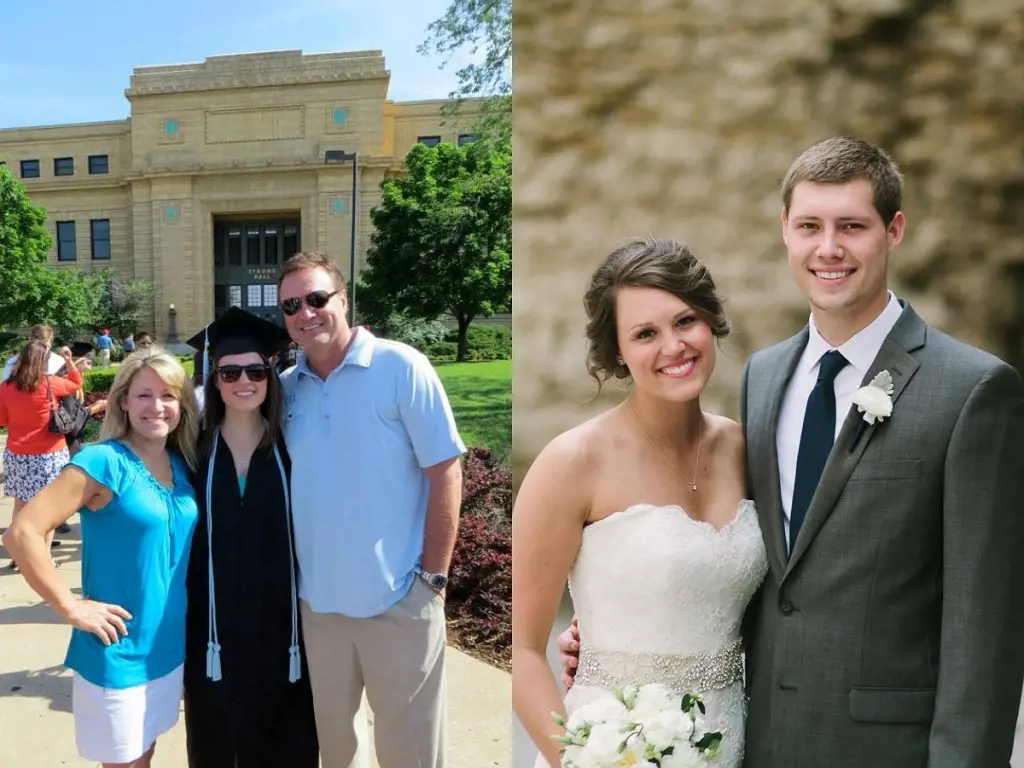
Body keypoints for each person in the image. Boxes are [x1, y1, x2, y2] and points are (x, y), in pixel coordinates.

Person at [556, 137, 1024, 766]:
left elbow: (984, 626)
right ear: (785, 231)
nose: (828, 248)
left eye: (851, 226)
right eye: (810, 226)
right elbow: (770, 565)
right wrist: (628, 628)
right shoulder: (765, 376)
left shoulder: (972, 391)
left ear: (895, 230)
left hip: (888, 749)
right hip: (758, 740)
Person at [512, 237, 767, 768]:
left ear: (710, 322)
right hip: (610, 750)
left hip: (733, 744)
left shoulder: (749, 451)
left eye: (685, 321)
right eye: (645, 333)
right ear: (619, 352)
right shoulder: (572, 462)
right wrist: (580, 760)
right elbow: (525, 653)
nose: (673, 346)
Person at [277, 251, 466, 768]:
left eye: (317, 299)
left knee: (412, 754)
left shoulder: (399, 365)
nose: (305, 313)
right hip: (319, 607)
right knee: (340, 754)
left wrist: (433, 577)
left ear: (343, 299)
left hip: (399, 600)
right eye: (291, 305)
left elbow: (445, 471)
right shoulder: (286, 390)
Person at [2, 349, 200, 768]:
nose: (157, 406)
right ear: (123, 401)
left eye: (168, 396)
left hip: (169, 647)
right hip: (118, 650)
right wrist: (70, 605)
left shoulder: (182, 464)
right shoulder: (102, 461)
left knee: (146, 752)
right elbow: (23, 532)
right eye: (145, 395)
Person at [181, 307, 319, 767]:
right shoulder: (192, 450)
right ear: (214, 379)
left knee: (285, 733)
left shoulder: (293, 445)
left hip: (284, 625)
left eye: (257, 370)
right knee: (214, 733)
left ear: (271, 375)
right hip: (211, 625)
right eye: (231, 371)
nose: (245, 381)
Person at [0, 341, 83, 569]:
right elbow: (76, 383)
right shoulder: (51, 383)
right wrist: (69, 361)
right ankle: (43, 558)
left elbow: (2, 420)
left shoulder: (6, 387)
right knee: (48, 509)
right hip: (49, 454)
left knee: (20, 505)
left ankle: (19, 555)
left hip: (17, 454)